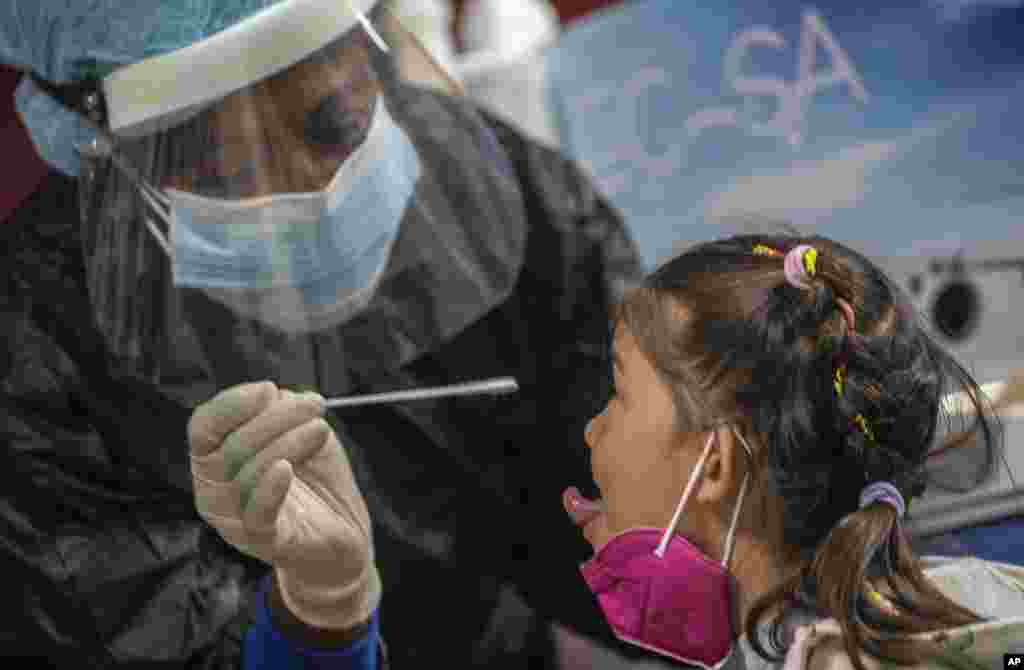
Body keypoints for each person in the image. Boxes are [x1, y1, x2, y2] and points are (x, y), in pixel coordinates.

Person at [0, 1, 641, 667]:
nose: (310, 193)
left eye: (334, 124)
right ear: (94, 134)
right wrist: (321, 618)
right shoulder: (42, 367)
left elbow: (656, 533)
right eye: (228, 168)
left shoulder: (490, 195)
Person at [190, 235, 1024, 669]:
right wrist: (330, 600)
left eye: (618, 395)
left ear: (717, 467)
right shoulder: (975, 603)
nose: (590, 431)